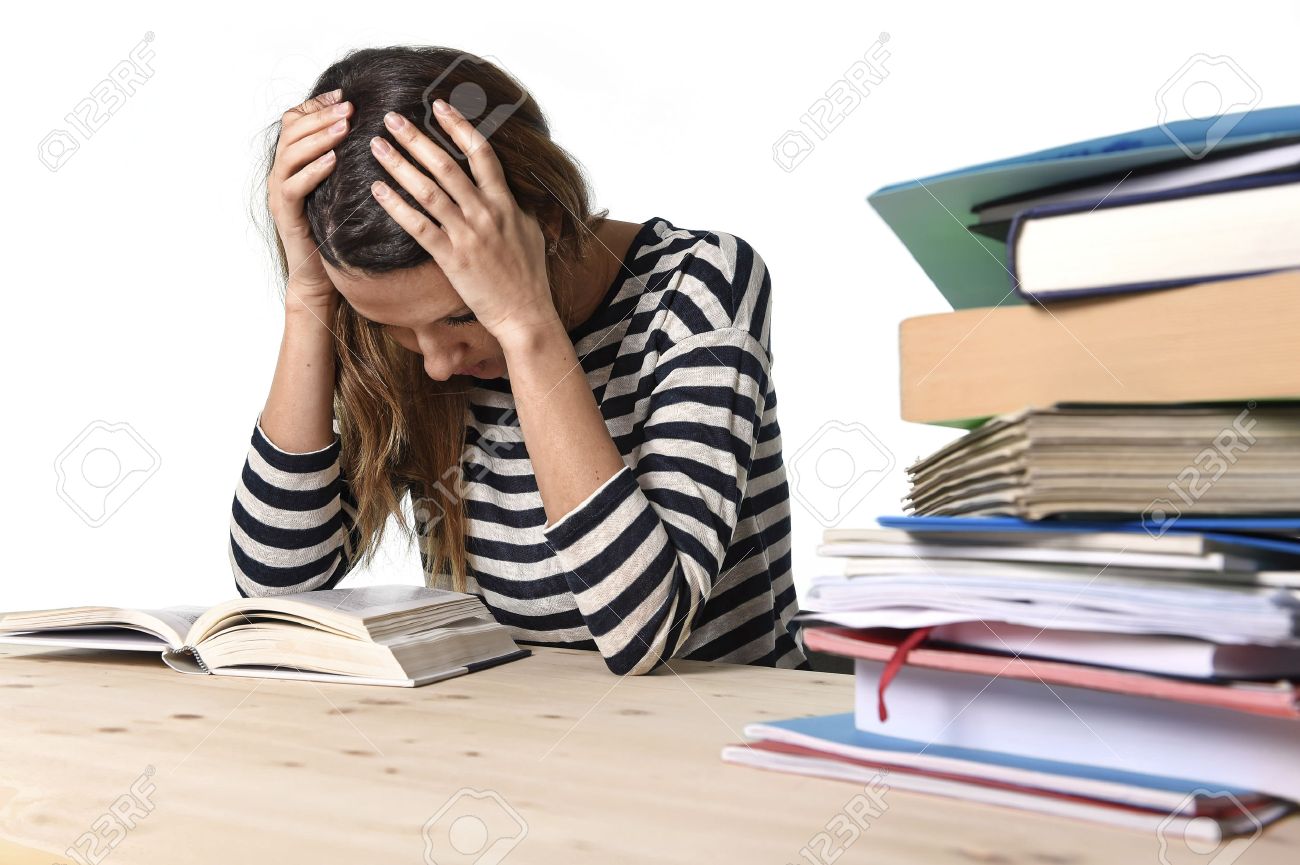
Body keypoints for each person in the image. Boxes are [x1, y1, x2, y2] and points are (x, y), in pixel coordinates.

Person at [229, 46, 808, 675]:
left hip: (718, 739)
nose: (438, 366)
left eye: (459, 318)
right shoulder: (404, 336)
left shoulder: (700, 284)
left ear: (549, 227)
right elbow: (275, 590)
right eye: (391, 327)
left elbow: (643, 631)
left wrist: (524, 323)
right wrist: (309, 296)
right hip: (506, 738)